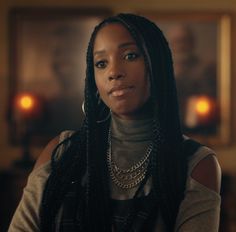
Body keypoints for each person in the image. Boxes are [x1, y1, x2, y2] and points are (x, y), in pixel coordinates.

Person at [8, 13, 221, 232]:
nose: (113, 72)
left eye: (130, 56)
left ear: (157, 63)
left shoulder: (196, 164)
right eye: (101, 63)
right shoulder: (61, 153)